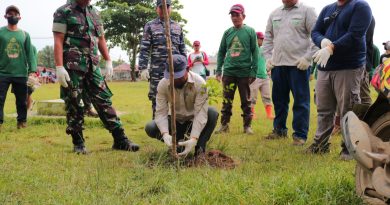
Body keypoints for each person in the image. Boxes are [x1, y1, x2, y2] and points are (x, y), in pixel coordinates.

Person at [53, 0, 139, 154]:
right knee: (75, 103)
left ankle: (120, 139)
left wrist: (108, 60)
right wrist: (59, 67)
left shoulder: (95, 12)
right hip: (73, 66)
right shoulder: (63, 11)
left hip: (93, 65)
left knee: (104, 100)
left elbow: (101, 38)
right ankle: (78, 143)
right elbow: (58, 40)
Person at [307, 0, 372, 160]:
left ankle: (349, 149)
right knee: (323, 109)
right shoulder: (327, 9)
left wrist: (331, 47)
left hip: (348, 66)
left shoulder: (360, 6)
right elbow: (315, 31)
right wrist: (321, 41)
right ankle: (320, 145)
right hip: (325, 67)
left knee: (348, 109)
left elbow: (355, 34)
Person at [262, 0, 317, 145]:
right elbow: (268, 38)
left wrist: (307, 58)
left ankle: (300, 135)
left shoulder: (307, 11)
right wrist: (268, 58)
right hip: (278, 65)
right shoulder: (274, 14)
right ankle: (279, 130)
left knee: (301, 101)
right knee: (279, 100)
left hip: (299, 66)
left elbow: (316, 36)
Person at [145, 54, 219, 157]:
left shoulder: (200, 83)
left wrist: (194, 138)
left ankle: (200, 149)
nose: (174, 80)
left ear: (187, 69)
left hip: (192, 121)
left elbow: (200, 114)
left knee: (212, 113)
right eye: (172, 77)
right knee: (151, 127)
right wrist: (165, 133)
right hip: (175, 122)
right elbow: (161, 112)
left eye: (178, 76)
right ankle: (176, 146)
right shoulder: (163, 84)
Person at [214, 4, 258, 135]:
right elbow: (221, 52)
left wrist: (253, 71)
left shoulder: (250, 31)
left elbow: (255, 52)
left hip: (244, 72)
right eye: (232, 15)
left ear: (243, 16)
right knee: (227, 100)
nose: (234, 17)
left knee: (246, 101)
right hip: (229, 72)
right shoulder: (227, 33)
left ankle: (247, 126)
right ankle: (224, 125)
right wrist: (218, 70)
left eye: (237, 15)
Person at [138, 0, 186, 119]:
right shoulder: (150, 25)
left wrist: (185, 68)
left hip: (176, 71)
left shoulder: (177, 27)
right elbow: (144, 47)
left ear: (171, 9)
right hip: (157, 70)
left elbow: (182, 49)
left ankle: (175, 125)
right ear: (157, 9)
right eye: (162, 7)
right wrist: (143, 68)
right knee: (157, 97)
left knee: (177, 96)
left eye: (167, 7)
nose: (165, 9)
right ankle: (157, 126)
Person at [0, 5, 37, 131]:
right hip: (2, 72)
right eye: (10, 14)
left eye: (15, 14)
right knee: (0, 99)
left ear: (19, 17)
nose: (12, 16)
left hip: (21, 73)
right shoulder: (0, 32)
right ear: (5, 16)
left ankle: (22, 122)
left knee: (22, 100)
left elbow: (30, 54)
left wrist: (32, 71)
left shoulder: (25, 35)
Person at [250, 32, 274, 120]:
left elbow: (270, 59)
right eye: (261, 39)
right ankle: (251, 114)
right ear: (256, 39)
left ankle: (269, 114)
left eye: (263, 39)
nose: (263, 41)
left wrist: (269, 70)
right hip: (254, 77)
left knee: (267, 96)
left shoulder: (265, 49)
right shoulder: (251, 49)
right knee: (252, 96)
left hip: (265, 76)